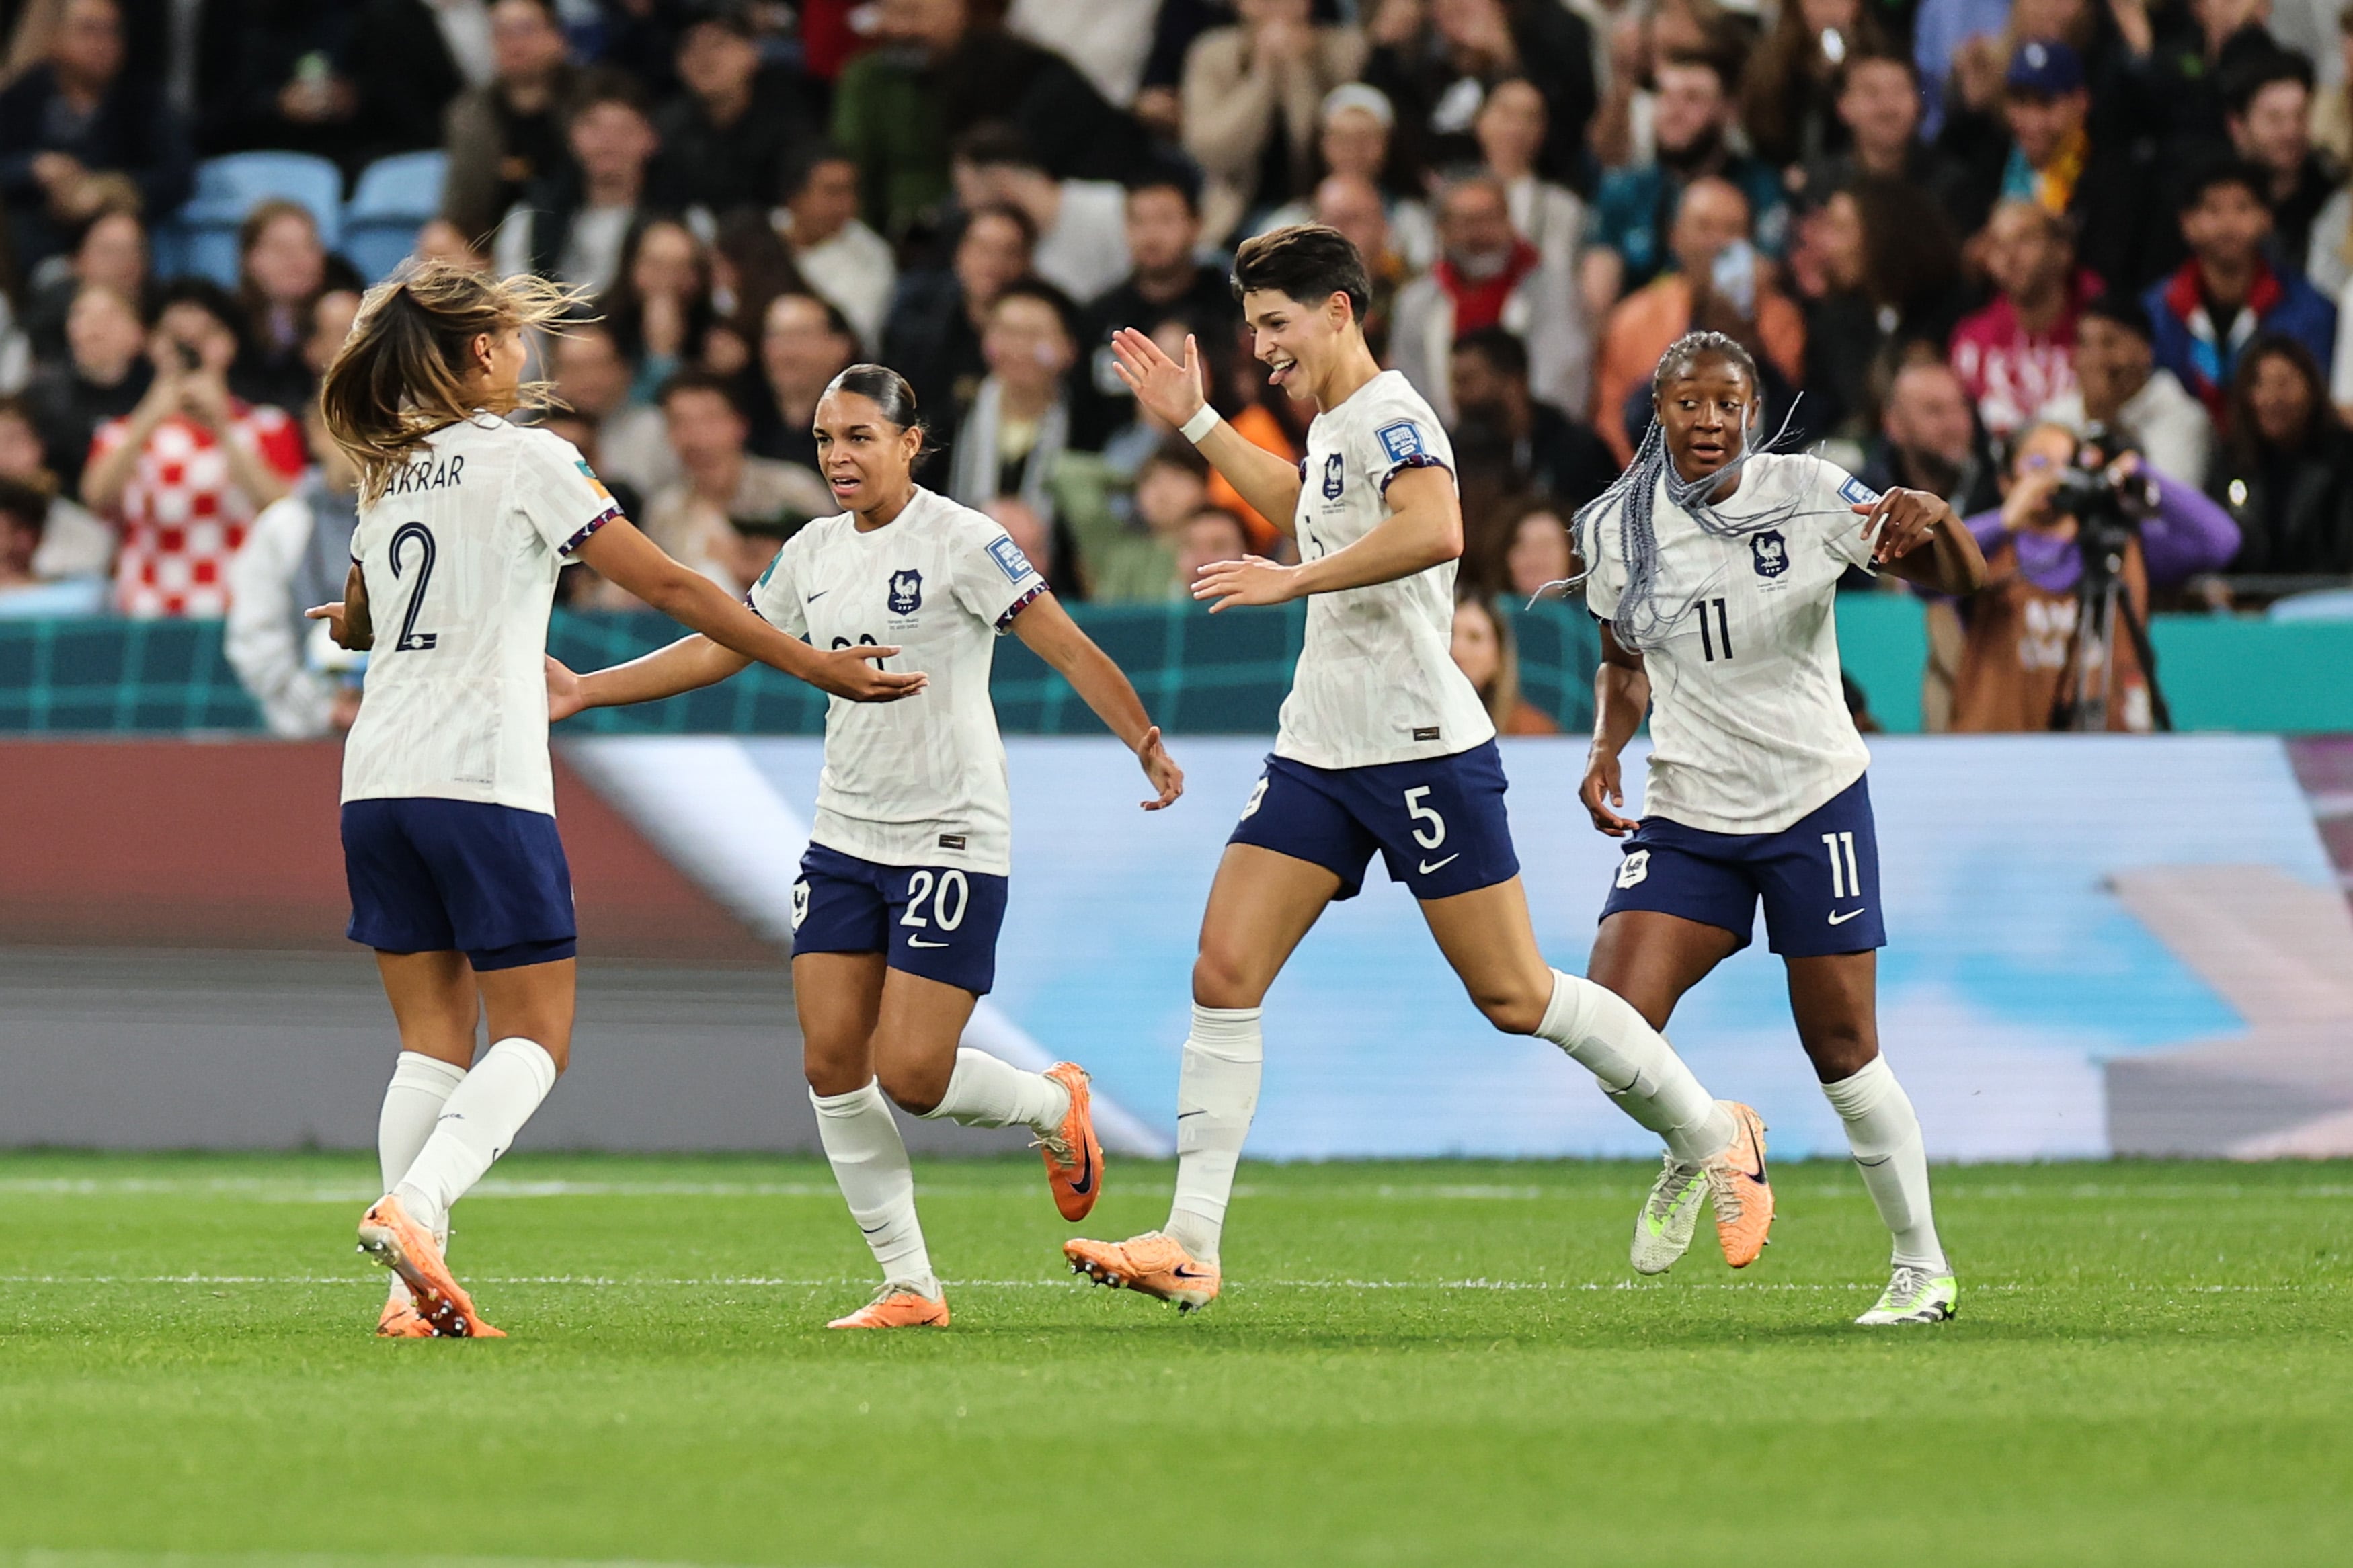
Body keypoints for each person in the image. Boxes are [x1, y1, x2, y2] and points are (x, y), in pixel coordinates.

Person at [1066, 226, 1776, 1314]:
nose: (1262, 348)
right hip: (1319, 746)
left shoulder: (1395, 412)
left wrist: (1292, 583)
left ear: (1340, 311)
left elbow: (1437, 529)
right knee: (1224, 969)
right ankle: (1192, 1241)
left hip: (1419, 749)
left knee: (1514, 992)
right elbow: (1305, 496)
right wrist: (1200, 422)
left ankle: (1712, 1128)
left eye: (1275, 324)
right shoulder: (1338, 425)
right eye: (1254, 327)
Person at [307, 263, 926, 1339]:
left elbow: (358, 622)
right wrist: (811, 663)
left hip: (375, 782)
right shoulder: (532, 460)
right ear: (481, 355)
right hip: (480, 777)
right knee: (537, 1033)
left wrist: (361, 621)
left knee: (430, 1043)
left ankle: (407, 1296)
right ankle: (414, 1207)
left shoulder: (387, 475)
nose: (522, 353)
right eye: (508, 336)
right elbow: (678, 587)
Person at [545, 362, 1184, 1328]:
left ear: (908, 444)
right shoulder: (810, 551)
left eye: (858, 438)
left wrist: (1141, 737)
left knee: (915, 1075)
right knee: (831, 1060)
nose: (839, 457)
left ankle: (1058, 1108)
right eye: (824, 442)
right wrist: (591, 687)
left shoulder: (967, 541)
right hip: (846, 834)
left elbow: (1065, 645)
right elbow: (729, 643)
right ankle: (910, 1283)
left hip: (951, 832)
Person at [1573, 329, 1989, 1325]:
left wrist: (1939, 521)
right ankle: (1712, 1136)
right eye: (1689, 404)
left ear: (1753, 412)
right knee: (1608, 1021)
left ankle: (1920, 1266)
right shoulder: (1613, 529)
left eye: (1728, 404)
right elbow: (1624, 657)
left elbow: (1961, 580)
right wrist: (1604, 747)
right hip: (1689, 810)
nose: (1710, 422)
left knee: (1843, 1047)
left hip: (1812, 801)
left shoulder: (1807, 493)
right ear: (1658, 412)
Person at [1950, 419, 2237, 729]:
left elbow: (2220, 542)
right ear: (2006, 480)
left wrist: (2136, 471)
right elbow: (1921, 571)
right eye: (2039, 463)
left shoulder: (2120, 549)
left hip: (2108, 757)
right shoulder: (1987, 553)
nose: (2056, 476)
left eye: (2070, 464)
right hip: (2003, 752)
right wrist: (2005, 520)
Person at [83, 279, 308, 617]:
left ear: (229, 344)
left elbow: (283, 510)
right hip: (147, 612)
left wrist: (222, 428)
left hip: (240, 610)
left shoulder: (269, 426)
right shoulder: (120, 435)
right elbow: (96, 498)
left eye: (206, 336)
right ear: (153, 345)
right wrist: (148, 418)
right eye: (176, 338)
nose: (193, 349)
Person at [1589, 175, 1806, 464]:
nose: (1717, 243)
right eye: (1704, 227)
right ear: (1675, 236)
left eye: (1732, 230)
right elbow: (1612, 423)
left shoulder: (1780, 320)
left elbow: (1787, 422)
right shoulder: (1632, 319)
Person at [1581, 51, 1788, 322]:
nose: (1674, 112)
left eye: (1693, 99)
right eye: (1664, 96)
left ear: (1728, 110)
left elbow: (1759, 284)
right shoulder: (1624, 188)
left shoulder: (1760, 186)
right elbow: (1596, 304)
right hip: (1638, 344)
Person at [0, 0, 192, 274]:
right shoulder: (27, 94)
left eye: (112, 32)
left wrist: (111, 189)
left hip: (115, 230)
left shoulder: (141, 100)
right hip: (34, 236)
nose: (102, 43)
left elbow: (178, 174)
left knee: (119, 231)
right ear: (55, 38)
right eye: (88, 30)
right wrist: (33, 166)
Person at [2143, 157, 2338, 423]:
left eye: (2243, 208)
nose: (2228, 224)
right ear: (2187, 223)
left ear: (2267, 218)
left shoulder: (2311, 310)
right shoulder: (2154, 311)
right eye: (2213, 210)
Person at [1391, 172, 1587, 427]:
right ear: (1443, 231)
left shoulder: (1552, 290)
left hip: (1534, 444)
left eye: (1491, 219)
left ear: (1509, 222)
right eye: (1467, 223)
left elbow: (1561, 379)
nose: (1481, 234)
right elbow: (1410, 392)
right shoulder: (1415, 303)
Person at [627, 368, 832, 601]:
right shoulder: (664, 512)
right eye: (679, 423)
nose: (696, 436)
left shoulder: (795, 489)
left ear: (740, 425)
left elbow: (842, 569)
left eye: (709, 420)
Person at [226, 401, 364, 737]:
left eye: (379, 427)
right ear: (317, 433)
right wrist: (320, 706)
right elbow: (254, 636)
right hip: (302, 735)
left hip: (400, 731)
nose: (363, 442)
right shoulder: (282, 526)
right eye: (350, 427)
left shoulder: (416, 525)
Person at [1179, 0, 1367, 245]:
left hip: (1323, 211)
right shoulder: (1212, 53)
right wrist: (1263, 74)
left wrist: (1299, 69)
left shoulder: (1344, 49)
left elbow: (1336, 143)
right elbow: (1209, 151)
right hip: (1234, 219)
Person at [946, 280, 1081, 589]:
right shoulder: (952, 416)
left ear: (1068, 348)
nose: (1019, 348)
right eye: (1006, 333)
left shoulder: (1088, 427)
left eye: (1034, 336)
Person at [493, 68, 661, 295]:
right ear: (572, 136)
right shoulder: (531, 218)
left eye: (623, 129)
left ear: (650, 139)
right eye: (594, 128)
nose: (607, 143)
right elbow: (515, 302)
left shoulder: (679, 221)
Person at [882, 203, 1035, 450]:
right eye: (982, 249)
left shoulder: (1045, 325)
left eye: (1009, 252)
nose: (994, 263)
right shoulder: (919, 324)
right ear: (960, 253)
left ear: (1027, 261)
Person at [651, 0, 815, 224]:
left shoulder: (791, 117)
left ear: (753, 54)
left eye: (718, 45)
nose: (703, 57)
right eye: (689, 48)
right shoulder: (666, 128)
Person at [1948, 200, 2095, 441]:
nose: (2009, 256)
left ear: (2062, 251)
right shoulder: (1971, 340)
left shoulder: (2101, 334)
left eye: (2025, 239)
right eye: (1998, 244)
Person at [2039, 292, 2215, 491]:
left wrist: (2105, 418)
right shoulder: (2056, 416)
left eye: (2109, 343)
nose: (2096, 359)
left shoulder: (2184, 419)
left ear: (2146, 351)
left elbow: (2165, 508)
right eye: (2084, 344)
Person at [438, 0, 579, 245]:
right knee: (438, 240)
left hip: (573, 230)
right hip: (492, 241)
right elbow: (461, 207)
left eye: (525, 29)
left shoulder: (588, 100)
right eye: (502, 32)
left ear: (558, 37)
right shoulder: (471, 112)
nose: (514, 43)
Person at [2210, 334, 2353, 577]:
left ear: (2312, 389)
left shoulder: (2344, 457)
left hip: (2325, 604)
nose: (2271, 398)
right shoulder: (2230, 461)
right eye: (2259, 384)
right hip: (2245, 608)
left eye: (2284, 384)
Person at [949, 124, 1130, 306]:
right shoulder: (1022, 249)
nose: (963, 204)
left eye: (964, 189)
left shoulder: (1108, 207)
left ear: (996, 178)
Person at [1449, 325, 1616, 510]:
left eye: (1468, 381)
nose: (1457, 395)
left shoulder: (1579, 452)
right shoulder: (1459, 458)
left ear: (1513, 382)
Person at [775, 145, 897, 353]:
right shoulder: (761, 234)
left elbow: (852, 336)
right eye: (833, 192)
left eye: (852, 192)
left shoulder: (871, 255)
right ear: (794, 197)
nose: (847, 205)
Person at [1472, 75, 1583, 274]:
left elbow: (1558, 274)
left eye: (1529, 118)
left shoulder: (1562, 206)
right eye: (1506, 114)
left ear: (1543, 131)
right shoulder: (1452, 198)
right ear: (1480, 120)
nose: (1516, 128)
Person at [748, 291, 859, 472]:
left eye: (801, 336)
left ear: (841, 347)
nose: (787, 352)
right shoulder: (743, 421)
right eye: (775, 337)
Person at [1451, 591, 1556, 734]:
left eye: (1474, 638)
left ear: (1499, 657)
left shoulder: (1532, 731)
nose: (1457, 650)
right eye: (1449, 635)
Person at [0, 475, 104, 616]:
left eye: (28, 530)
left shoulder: (83, 596)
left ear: (40, 536)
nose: (21, 541)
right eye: (13, 529)